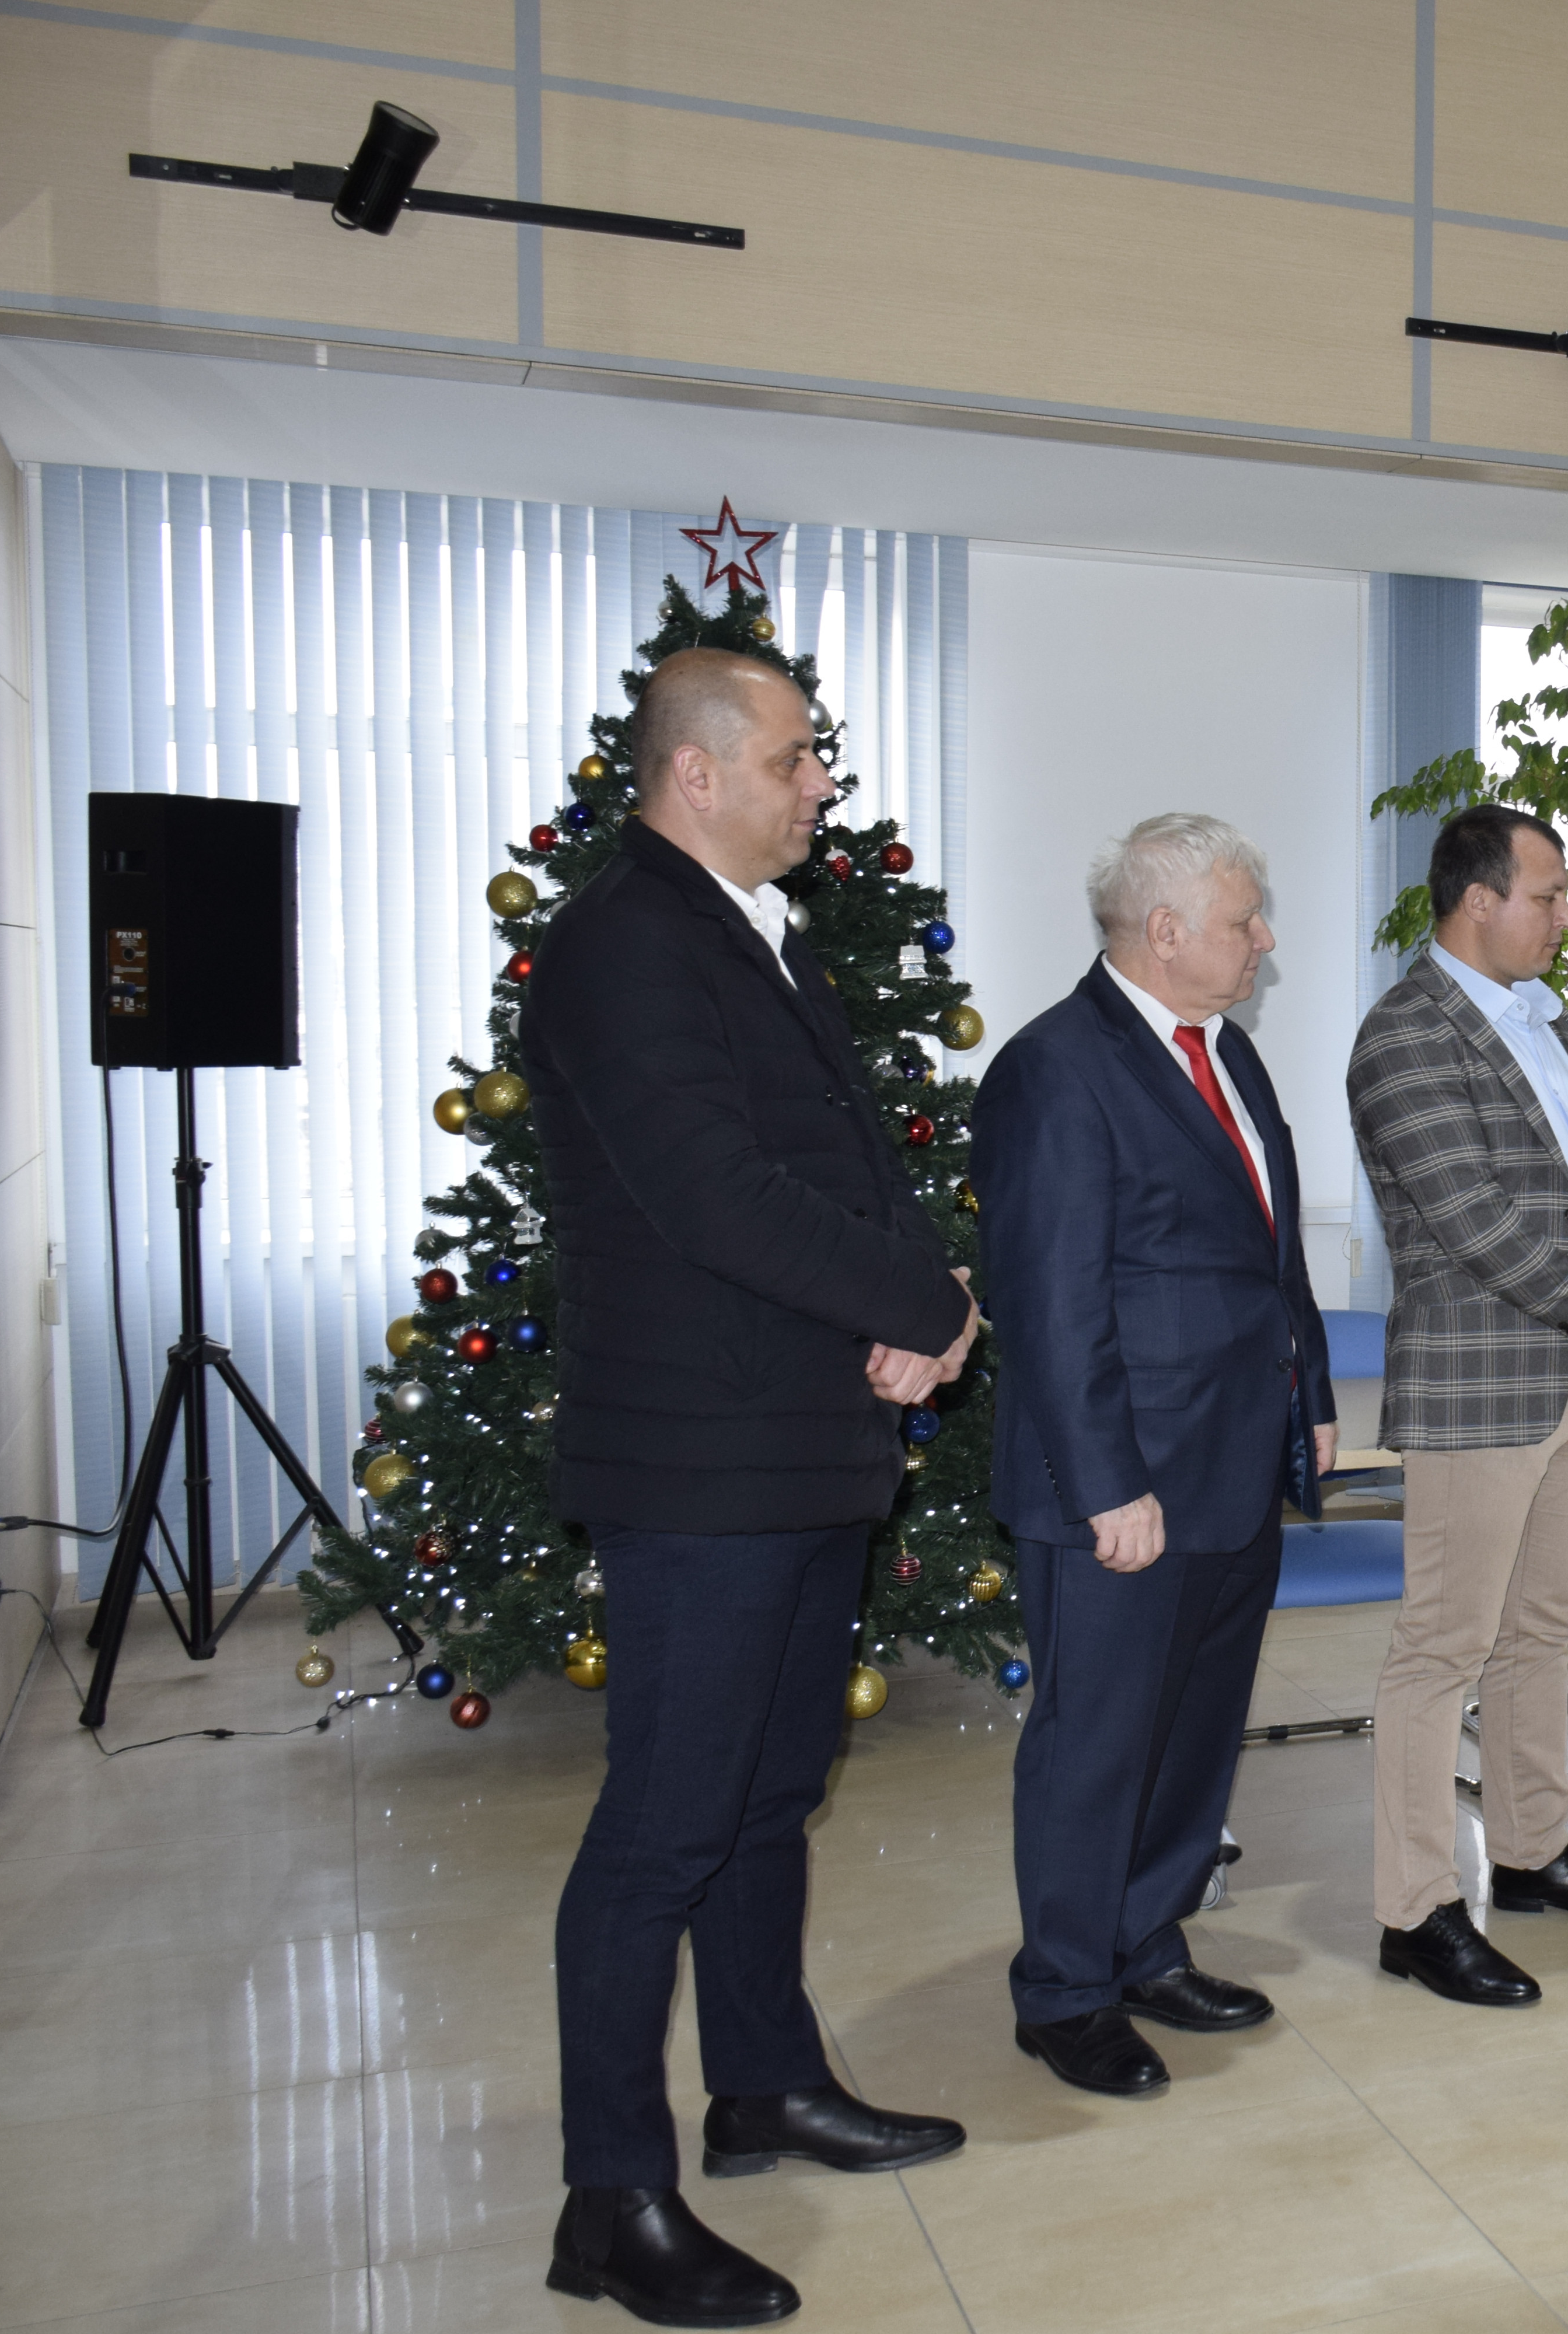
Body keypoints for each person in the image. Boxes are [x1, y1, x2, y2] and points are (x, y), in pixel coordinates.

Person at [525, 648, 978, 2327]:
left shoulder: (750, 931)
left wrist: (927, 1306)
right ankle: (610, 2199)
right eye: (795, 759)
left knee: (773, 1788)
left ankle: (763, 2084)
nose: (821, 785)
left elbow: (846, 1164)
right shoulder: (622, 941)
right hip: (699, 1457)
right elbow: (714, 1194)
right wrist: (920, 1302)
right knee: (665, 1823)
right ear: (697, 771)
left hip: (794, 1440)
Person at [972, 814, 1334, 2099]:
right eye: (1245, 919)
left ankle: (1146, 1941)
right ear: (1165, 930)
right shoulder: (1055, 1068)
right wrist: (1105, 1483)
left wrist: (1310, 1393)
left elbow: (1273, 1249)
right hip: (1124, 1482)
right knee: (1099, 1739)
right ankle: (1066, 1988)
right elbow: (1050, 1301)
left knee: (1192, 1730)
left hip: (1234, 1460)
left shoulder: (1228, 1054)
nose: (1264, 939)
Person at [1348, 804, 1568, 2005]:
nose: (1565, 916)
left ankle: (1534, 1850)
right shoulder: (1406, 1033)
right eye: (1546, 895)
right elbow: (1473, 1220)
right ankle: (1414, 1909)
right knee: (1442, 1646)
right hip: (1482, 1383)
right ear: (1477, 900)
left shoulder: (1546, 1018)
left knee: (1540, 1629)